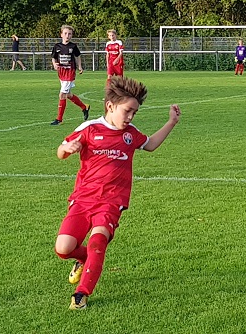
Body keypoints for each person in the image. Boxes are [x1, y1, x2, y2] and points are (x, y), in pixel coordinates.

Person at [54, 75, 181, 310]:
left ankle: (82, 293)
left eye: (135, 113)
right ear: (110, 106)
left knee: (98, 241)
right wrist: (66, 148)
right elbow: (61, 151)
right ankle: (83, 259)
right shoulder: (89, 129)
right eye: (128, 111)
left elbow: (150, 144)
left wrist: (171, 122)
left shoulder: (130, 134)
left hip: (112, 201)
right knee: (63, 249)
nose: (131, 117)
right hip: (83, 198)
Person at [50, 25, 90, 126]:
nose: (67, 35)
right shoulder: (57, 46)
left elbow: (77, 56)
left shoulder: (73, 46)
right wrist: (54, 64)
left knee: (62, 94)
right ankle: (84, 107)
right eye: (66, 33)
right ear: (61, 35)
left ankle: (59, 119)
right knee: (68, 95)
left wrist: (80, 66)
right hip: (61, 73)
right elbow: (53, 57)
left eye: (70, 34)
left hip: (70, 73)